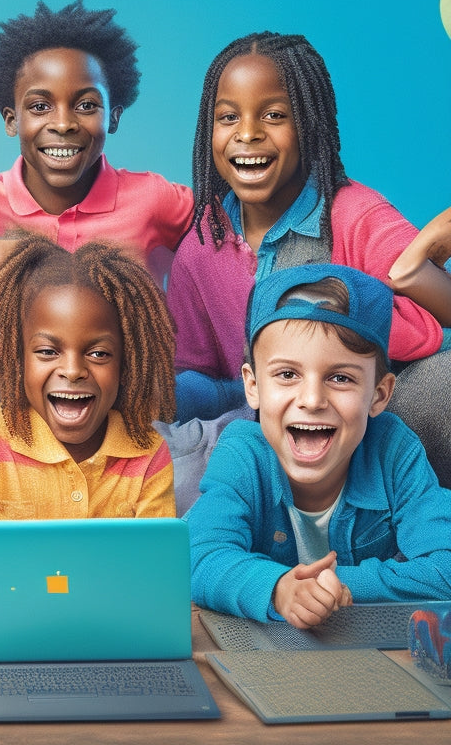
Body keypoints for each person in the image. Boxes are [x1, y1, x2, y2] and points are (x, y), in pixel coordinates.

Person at [167, 31, 451, 485]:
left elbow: (424, 330)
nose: (247, 134)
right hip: (275, 421)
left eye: (274, 115)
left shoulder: (355, 215)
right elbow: (204, 373)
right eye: (228, 117)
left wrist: (328, 318)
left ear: (310, 125)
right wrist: (157, 395)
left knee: (442, 385)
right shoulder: (201, 248)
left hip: (366, 414)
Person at [185, 264, 451, 629]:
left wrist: (341, 584)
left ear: (379, 394)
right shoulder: (243, 453)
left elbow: (445, 566)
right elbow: (198, 556)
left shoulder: (393, 450)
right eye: (287, 375)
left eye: (340, 378)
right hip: (267, 657)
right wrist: (278, 588)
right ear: (253, 387)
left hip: (366, 652)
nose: (311, 399)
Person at [0, 0, 193, 303]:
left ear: (113, 117)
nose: (63, 124)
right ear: (11, 120)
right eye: (40, 106)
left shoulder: (155, 200)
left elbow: (233, 237)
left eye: (86, 105)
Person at [0, 235, 177, 521]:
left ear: (126, 365)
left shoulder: (148, 453)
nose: (73, 370)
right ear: (18, 359)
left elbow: (153, 565)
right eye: (48, 352)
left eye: (99, 354)